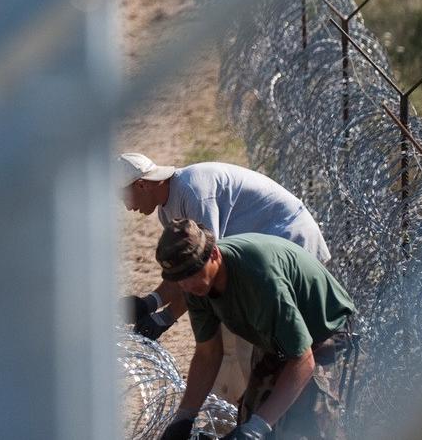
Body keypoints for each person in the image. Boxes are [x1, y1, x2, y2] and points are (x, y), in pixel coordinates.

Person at [119, 152, 330, 401]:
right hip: (258, 259)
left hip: (291, 244)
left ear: (141, 184)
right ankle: (240, 416)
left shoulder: (193, 193)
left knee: (257, 348)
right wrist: (150, 302)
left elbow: (203, 268)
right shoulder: (167, 209)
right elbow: (184, 268)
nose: (127, 207)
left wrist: (165, 317)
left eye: (124, 197)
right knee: (233, 344)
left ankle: (284, 415)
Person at [155, 220, 356, 440]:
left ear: (214, 255)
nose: (187, 285)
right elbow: (207, 354)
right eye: (179, 279)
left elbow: (303, 360)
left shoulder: (259, 278)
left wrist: (256, 429)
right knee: (249, 419)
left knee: (306, 427)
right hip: (277, 338)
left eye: (192, 273)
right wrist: (184, 418)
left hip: (323, 332)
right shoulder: (196, 287)